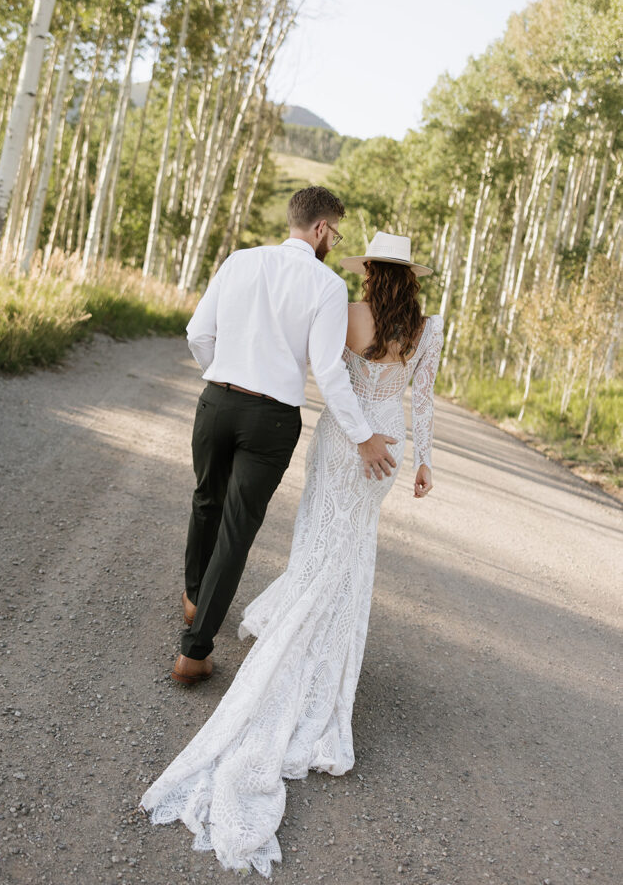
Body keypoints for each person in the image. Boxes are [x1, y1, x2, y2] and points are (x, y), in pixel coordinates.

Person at [140, 230, 444, 877]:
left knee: (316, 548)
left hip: (341, 444)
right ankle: (326, 675)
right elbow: (422, 400)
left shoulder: (351, 315)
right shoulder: (428, 327)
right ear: (412, 279)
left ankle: (290, 650)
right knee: (351, 555)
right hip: (385, 452)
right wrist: (423, 463)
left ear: (370, 272)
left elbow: (317, 367)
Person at [172, 186, 397, 687]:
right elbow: (328, 371)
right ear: (319, 229)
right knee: (236, 528)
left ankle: (193, 599)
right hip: (270, 419)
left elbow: (197, 334)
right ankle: (194, 653)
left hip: (217, 401)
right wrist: (363, 435)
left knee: (205, 501)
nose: (334, 242)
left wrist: (226, 376)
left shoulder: (239, 261)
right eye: (335, 233)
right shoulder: (327, 286)